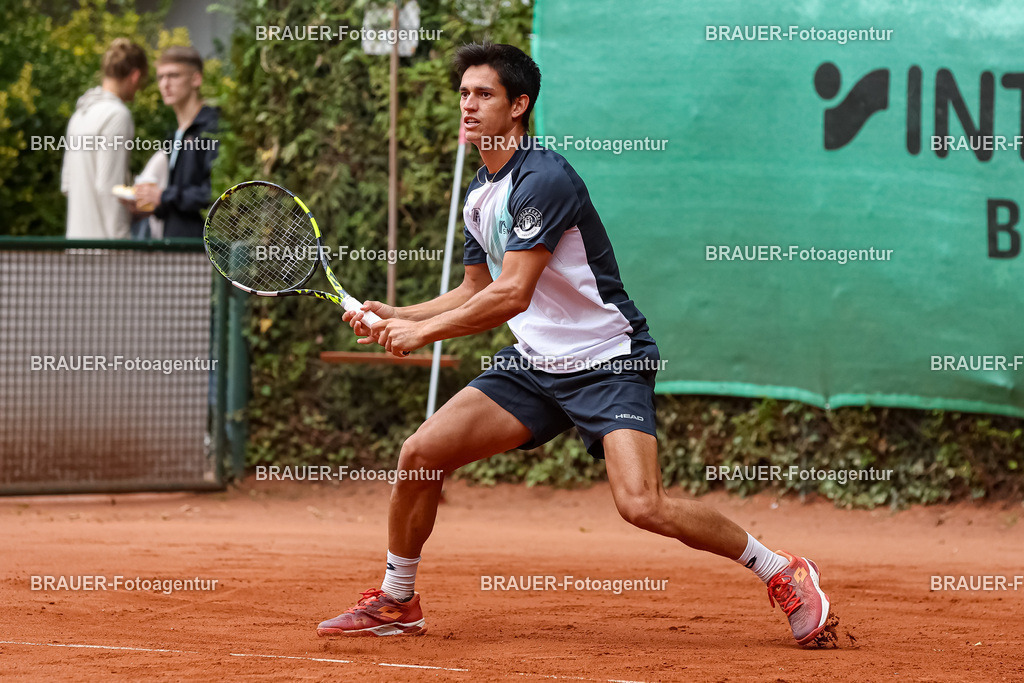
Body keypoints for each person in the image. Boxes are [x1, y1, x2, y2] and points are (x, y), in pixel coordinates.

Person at [320, 43, 837, 647]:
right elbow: (474, 288)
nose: (468, 105)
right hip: (534, 364)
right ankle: (397, 599)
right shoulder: (481, 196)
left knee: (642, 505)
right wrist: (399, 313)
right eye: (463, 93)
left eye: (483, 94)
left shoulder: (544, 178)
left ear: (520, 105)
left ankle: (782, 570)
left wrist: (421, 333)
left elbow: (511, 295)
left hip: (607, 362)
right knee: (420, 455)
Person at [62, 38, 147, 239]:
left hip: (77, 245)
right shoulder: (117, 115)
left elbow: (67, 185)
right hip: (105, 254)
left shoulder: (79, 114)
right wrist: (123, 244)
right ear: (135, 76)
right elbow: (109, 188)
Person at [134, 46, 218, 238]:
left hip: (203, 250)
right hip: (174, 248)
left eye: (173, 76)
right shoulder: (175, 135)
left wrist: (163, 196)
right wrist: (150, 204)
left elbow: (217, 192)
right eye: (160, 77)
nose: (165, 84)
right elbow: (177, 203)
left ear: (196, 79)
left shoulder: (212, 127)